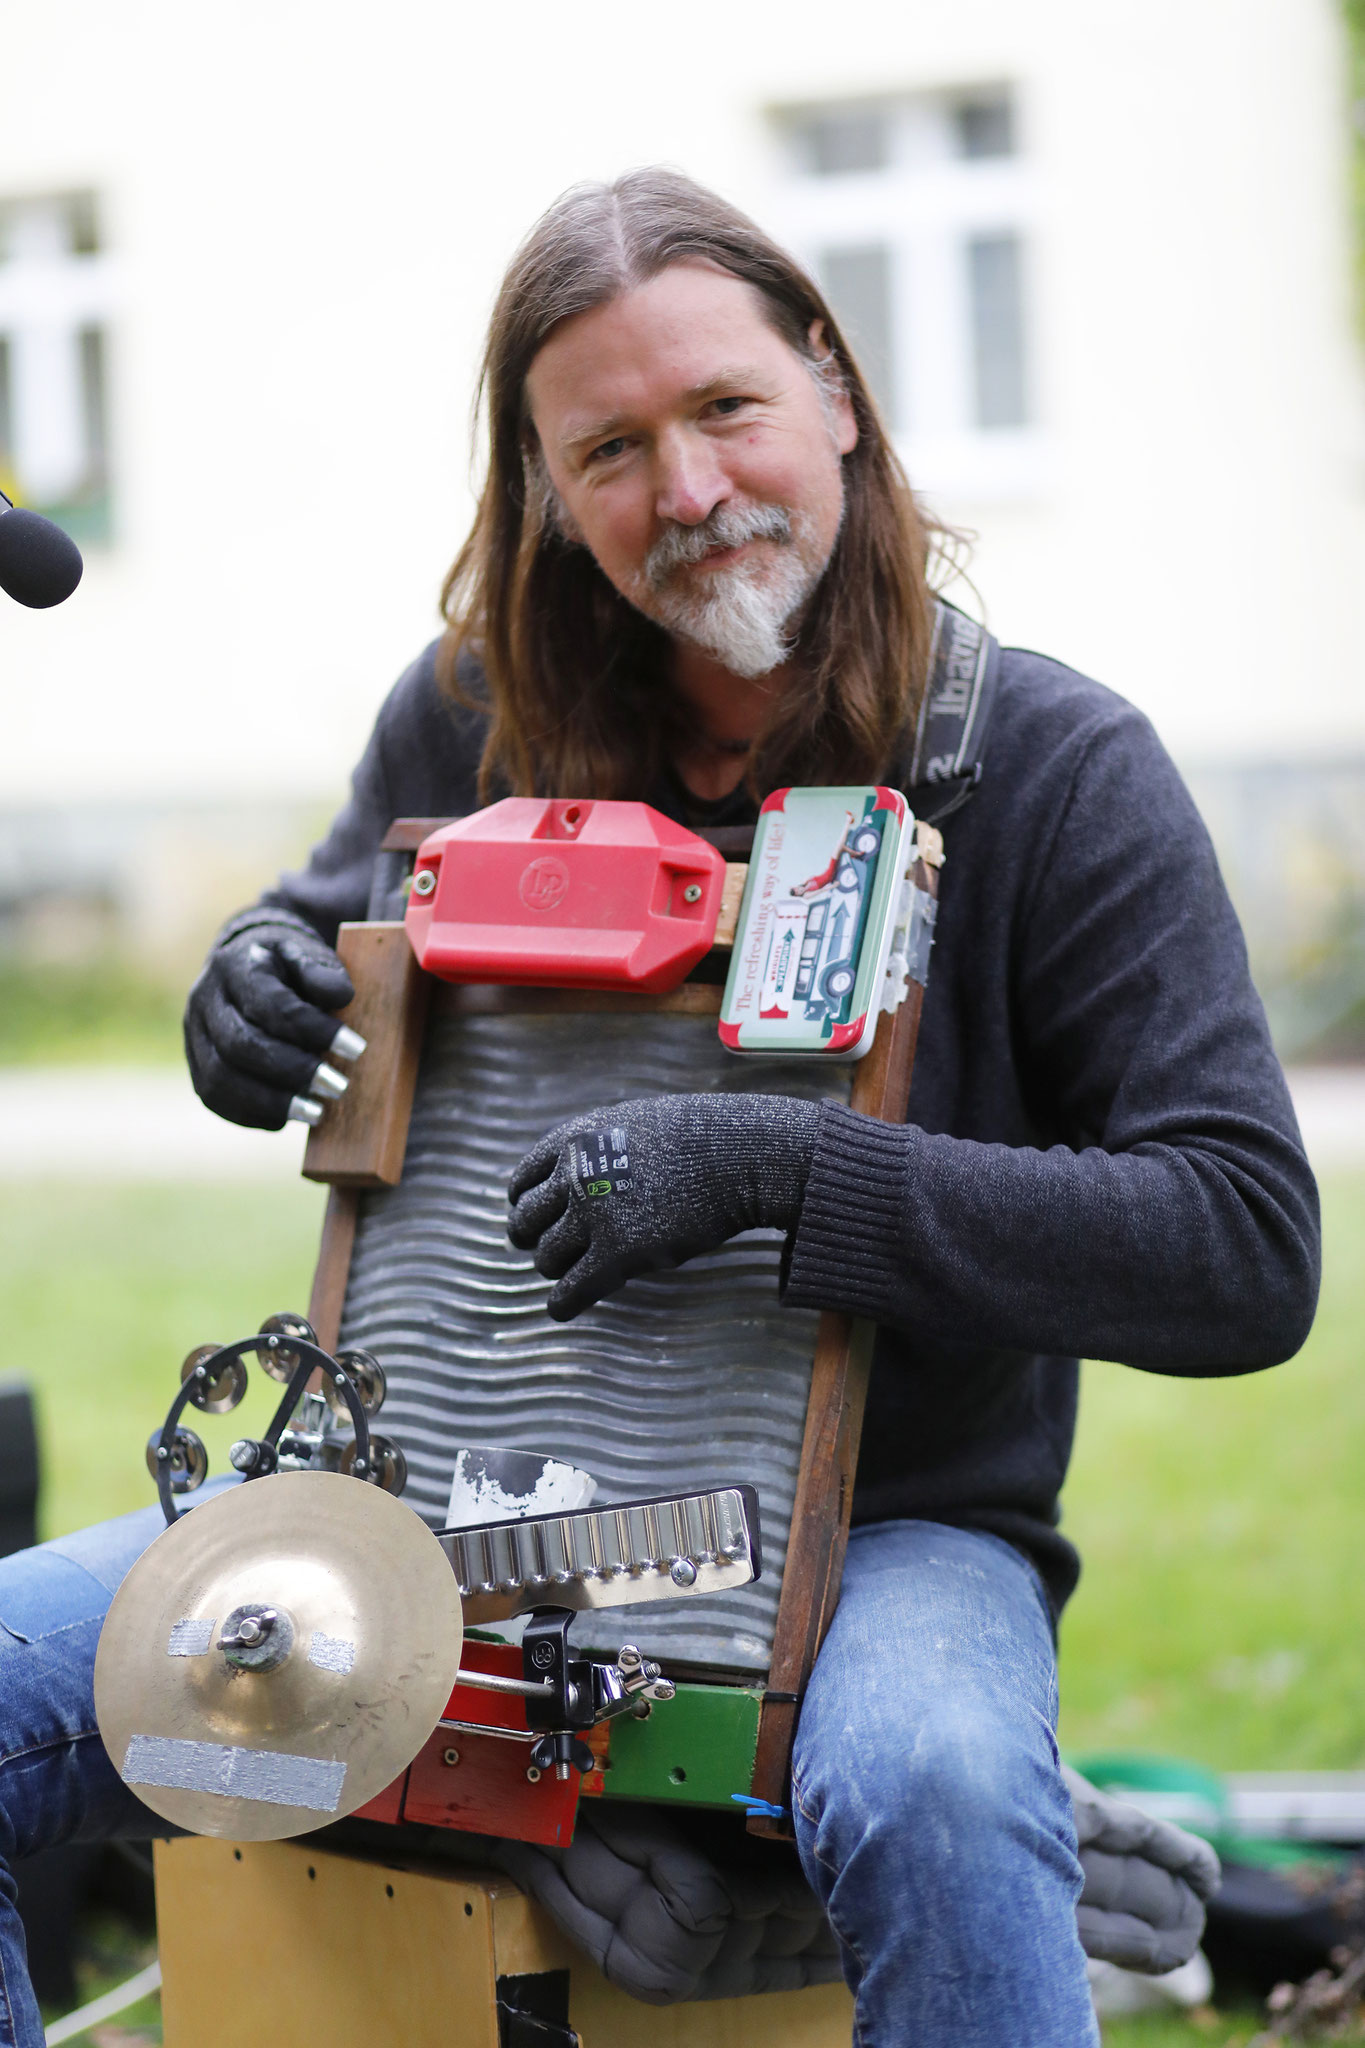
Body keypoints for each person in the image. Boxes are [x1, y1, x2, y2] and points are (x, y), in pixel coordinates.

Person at [0, 171, 1317, 2048]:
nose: (686, 491)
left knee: (934, 1792)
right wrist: (252, 988)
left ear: (837, 396)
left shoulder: (1041, 766)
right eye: (608, 447)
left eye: (725, 411)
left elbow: (1241, 1250)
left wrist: (788, 1171)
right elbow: (317, 942)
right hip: (413, 1514)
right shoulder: (467, 718)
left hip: (887, 1537)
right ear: (542, 487)